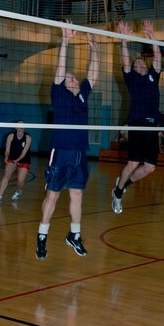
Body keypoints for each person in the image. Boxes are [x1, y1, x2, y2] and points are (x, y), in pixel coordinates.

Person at [35, 25, 99, 260]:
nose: (73, 79)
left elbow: (93, 74)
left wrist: (94, 49)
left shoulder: (82, 95)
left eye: (74, 78)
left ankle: (75, 235)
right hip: (60, 152)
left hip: (80, 154)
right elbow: (60, 71)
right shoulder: (59, 94)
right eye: (69, 78)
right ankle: (42, 235)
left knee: (77, 195)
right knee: (53, 195)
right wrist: (65, 41)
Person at [111, 19, 162, 214]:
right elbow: (125, 60)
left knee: (149, 167)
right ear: (133, 68)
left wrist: (151, 35)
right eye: (137, 62)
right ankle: (117, 193)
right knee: (133, 163)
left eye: (142, 61)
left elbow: (158, 58)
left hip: (152, 126)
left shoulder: (152, 77)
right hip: (137, 124)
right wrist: (124, 40)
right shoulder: (131, 78)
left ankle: (124, 185)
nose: (140, 62)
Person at [0, 120, 32, 205]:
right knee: (6, 175)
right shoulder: (11, 136)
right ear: (15, 127)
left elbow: (24, 153)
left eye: (23, 125)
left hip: (24, 160)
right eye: (19, 125)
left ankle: (18, 191)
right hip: (12, 159)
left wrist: (17, 161)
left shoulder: (28, 137)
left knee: (20, 181)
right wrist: (6, 157)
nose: (21, 127)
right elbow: (7, 150)